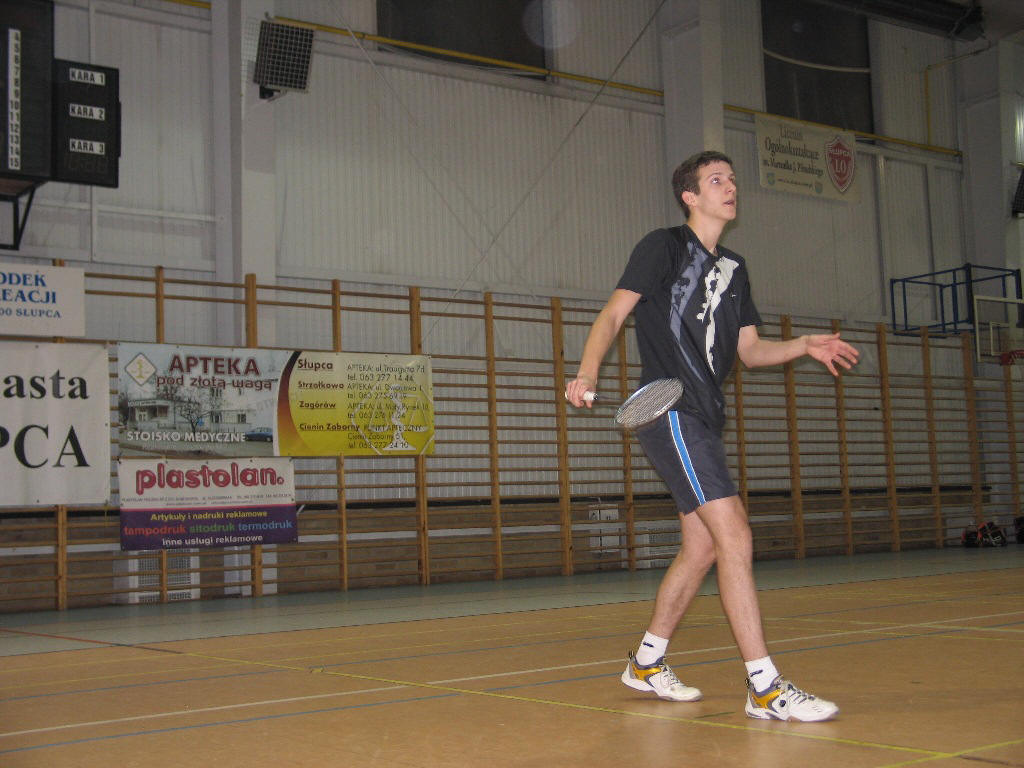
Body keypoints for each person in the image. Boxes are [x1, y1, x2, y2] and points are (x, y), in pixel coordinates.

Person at [565, 150, 858, 722]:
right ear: (690, 196)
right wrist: (588, 372)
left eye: (732, 179)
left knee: (701, 547)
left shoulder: (736, 268)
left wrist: (803, 345)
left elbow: (749, 351)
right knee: (736, 536)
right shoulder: (665, 247)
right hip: (669, 407)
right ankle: (764, 685)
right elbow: (613, 314)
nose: (730, 187)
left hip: (705, 415)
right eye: (716, 180)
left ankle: (646, 663)